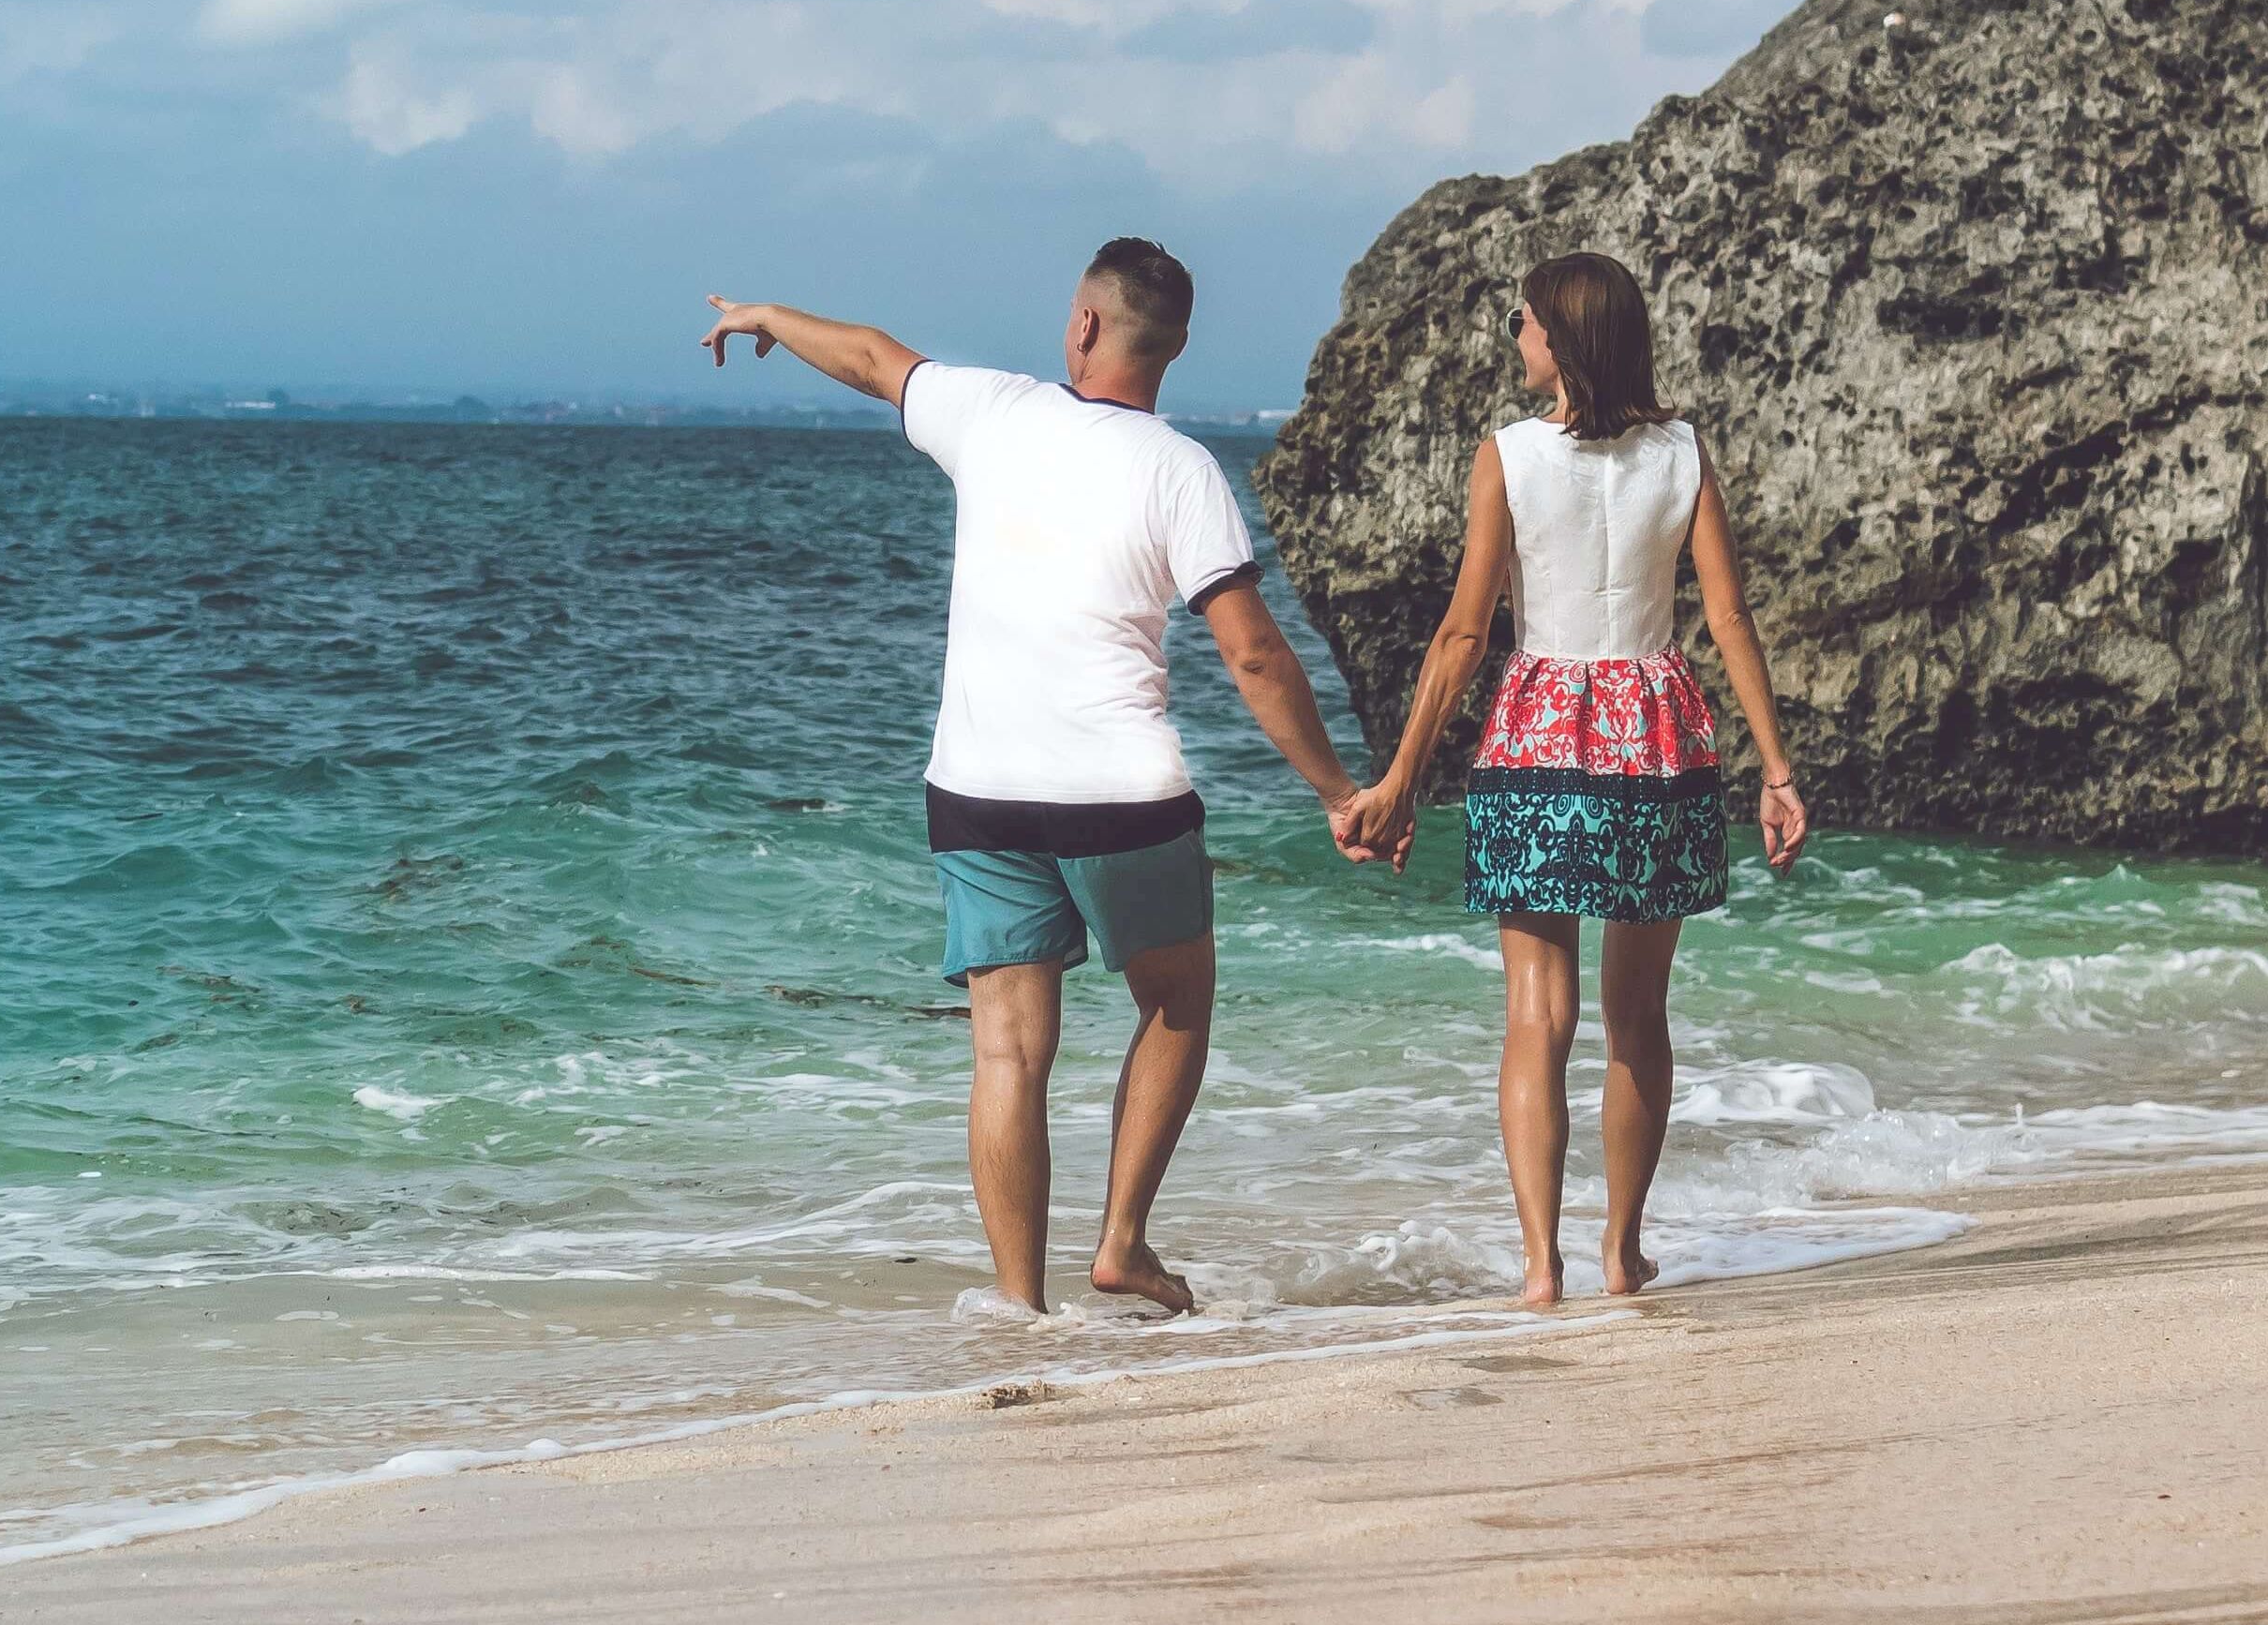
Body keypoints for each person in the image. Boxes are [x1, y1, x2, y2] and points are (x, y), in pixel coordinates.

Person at [701, 238, 1377, 1318]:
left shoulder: (995, 412)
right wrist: (1339, 791)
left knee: (1009, 1054)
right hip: (1120, 800)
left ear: (1084, 326)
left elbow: (874, 359)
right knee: (1176, 1002)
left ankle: (1020, 1309)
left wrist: (766, 316)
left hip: (977, 791)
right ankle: (1120, 1243)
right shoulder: (1182, 470)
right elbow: (1253, 652)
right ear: (1176, 348)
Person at [1333, 251, 1811, 1306]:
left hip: (1539, 730)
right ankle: (1621, 1253)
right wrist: (1775, 769)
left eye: (1524, 319)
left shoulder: (1506, 455)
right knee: (1639, 1013)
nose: (1515, 334)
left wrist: (1404, 775)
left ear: (1561, 339)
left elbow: (1464, 631)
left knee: (1535, 1012)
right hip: (1653, 735)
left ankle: (1541, 1265)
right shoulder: (1682, 453)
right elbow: (1726, 617)